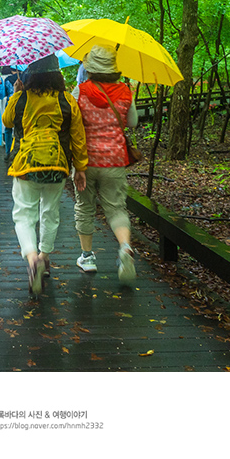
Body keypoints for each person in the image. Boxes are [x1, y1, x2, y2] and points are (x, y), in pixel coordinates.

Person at [2, 53, 88, 295]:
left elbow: (7, 122)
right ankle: (44, 256)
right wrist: (80, 167)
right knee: (50, 211)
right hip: (58, 164)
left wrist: (17, 93)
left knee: (24, 214)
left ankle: (32, 259)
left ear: (31, 73)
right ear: (57, 74)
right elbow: (78, 137)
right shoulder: (66, 100)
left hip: (26, 164)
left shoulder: (22, 98)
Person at [72, 45, 139, 283]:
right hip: (114, 159)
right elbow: (132, 123)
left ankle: (87, 257)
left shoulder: (80, 91)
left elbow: (71, 121)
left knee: (85, 206)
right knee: (116, 208)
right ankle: (124, 247)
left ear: (90, 67)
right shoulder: (125, 91)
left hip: (85, 161)